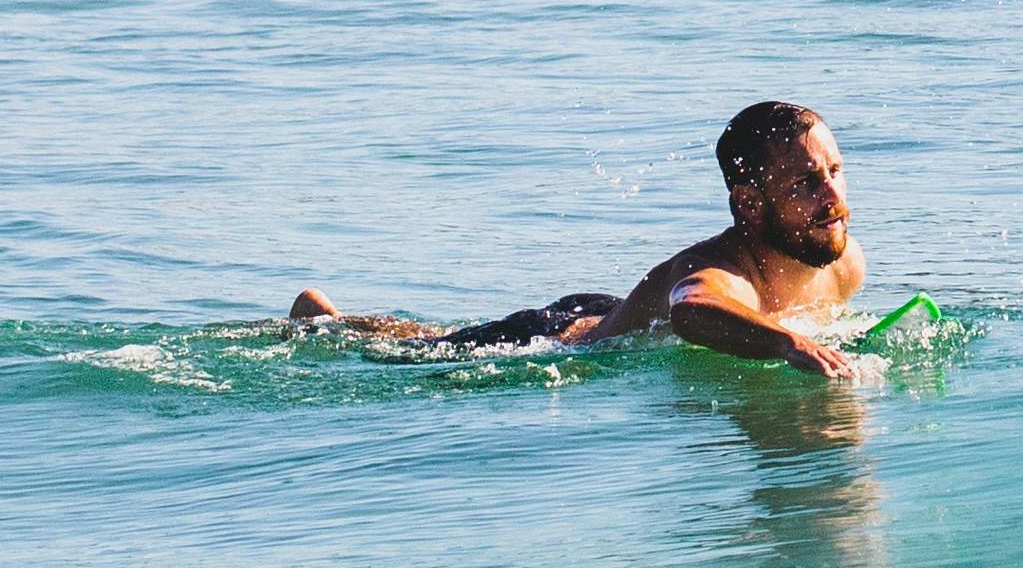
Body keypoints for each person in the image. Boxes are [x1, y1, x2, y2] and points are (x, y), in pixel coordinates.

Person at [283, 99, 873, 376]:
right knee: (420, 352)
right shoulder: (722, 270)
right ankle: (327, 322)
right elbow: (692, 309)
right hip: (567, 339)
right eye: (805, 183)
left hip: (613, 310)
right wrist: (789, 346)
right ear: (749, 204)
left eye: (835, 172)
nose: (833, 199)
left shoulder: (842, 264)